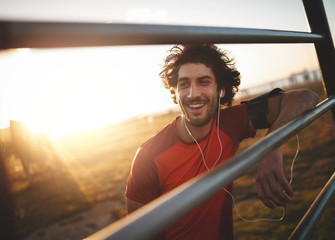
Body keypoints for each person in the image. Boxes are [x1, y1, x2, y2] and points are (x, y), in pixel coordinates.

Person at [125, 44, 319, 240]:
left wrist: (270, 145)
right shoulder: (148, 156)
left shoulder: (231, 122)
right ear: (176, 92)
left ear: (221, 91)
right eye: (184, 84)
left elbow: (305, 98)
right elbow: (136, 232)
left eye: (204, 82)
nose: (193, 94)